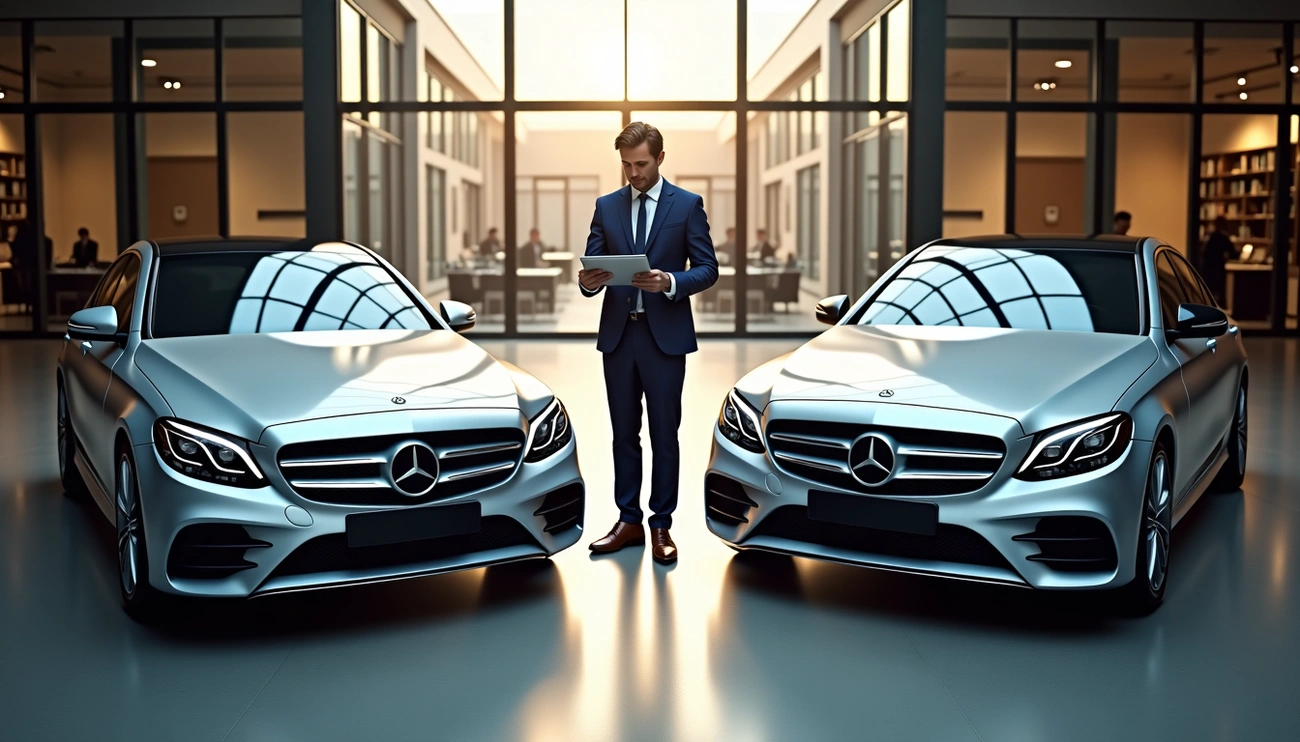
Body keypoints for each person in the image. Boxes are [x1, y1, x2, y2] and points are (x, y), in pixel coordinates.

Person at [577, 122, 719, 564]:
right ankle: (628, 520)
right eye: (626, 165)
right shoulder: (606, 206)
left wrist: (670, 281)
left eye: (640, 164)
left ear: (660, 158)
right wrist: (587, 282)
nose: (633, 173)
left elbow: (708, 269)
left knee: (664, 434)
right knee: (623, 434)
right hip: (619, 337)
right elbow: (592, 267)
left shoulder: (687, 205)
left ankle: (661, 524)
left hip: (665, 340)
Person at [1200, 216, 1238, 306]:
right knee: (1221, 292)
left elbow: (1204, 252)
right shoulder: (1224, 237)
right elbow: (1234, 254)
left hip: (1207, 269)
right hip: (1218, 269)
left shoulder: (1210, 237)